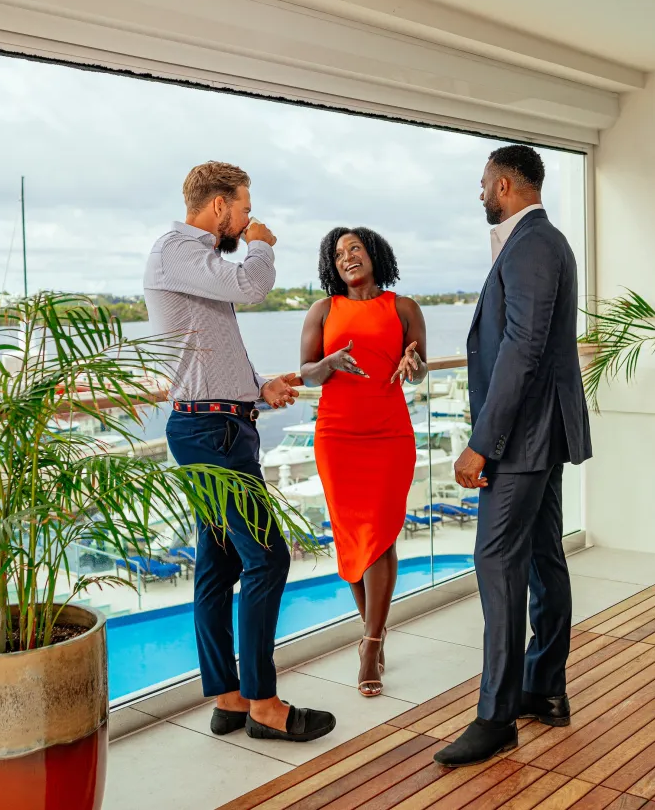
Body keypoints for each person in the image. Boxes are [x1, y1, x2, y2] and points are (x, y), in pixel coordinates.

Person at [144, 161, 336, 743]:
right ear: (219, 204)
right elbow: (253, 287)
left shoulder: (195, 262)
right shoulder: (177, 247)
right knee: (269, 559)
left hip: (219, 427)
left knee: (221, 565)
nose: (252, 219)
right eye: (246, 209)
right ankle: (263, 704)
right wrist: (260, 247)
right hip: (210, 435)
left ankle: (229, 699)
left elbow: (209, 348)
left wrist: (257, 389)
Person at [433, 145, 593, 768]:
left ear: (503, 185)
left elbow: (522, 348)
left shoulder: (528, 244)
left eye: (482, 186)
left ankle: (497, 715)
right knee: (544, 555)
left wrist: (481, 442)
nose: (479, 196)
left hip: (521, 437)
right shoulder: (545, 240)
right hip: (542, 430)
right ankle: (544, 687)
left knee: (497, 560)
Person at [300, 227, 427, 698]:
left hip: (389, 435)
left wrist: (414, 365)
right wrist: (328, 363)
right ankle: (372, 634)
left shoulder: (404, 308)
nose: (347, 257)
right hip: (338, 437)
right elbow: (307, 374)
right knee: (353, 538)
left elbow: (419, 370)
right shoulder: (322, 311)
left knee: (381, 534)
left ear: (374, 253)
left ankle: (370, 644)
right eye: (338, 254)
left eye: (354, 248)